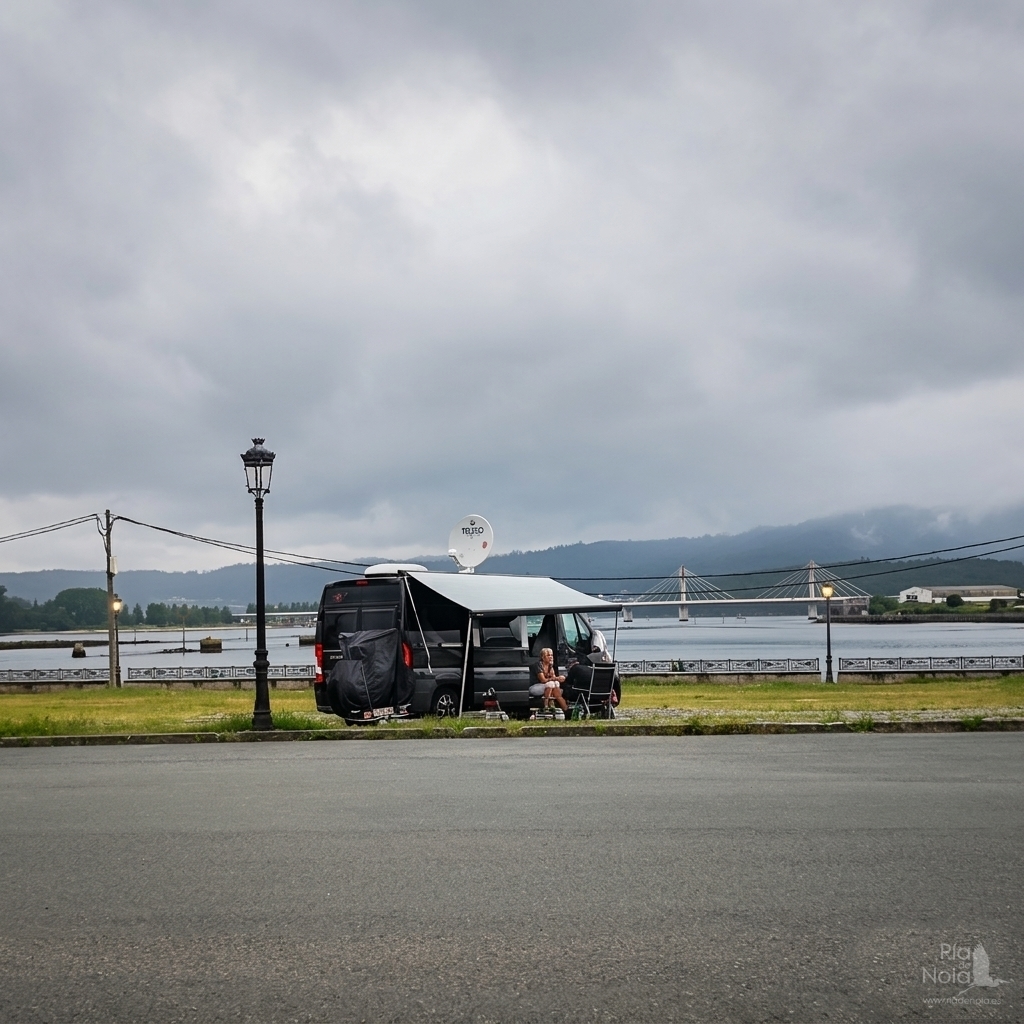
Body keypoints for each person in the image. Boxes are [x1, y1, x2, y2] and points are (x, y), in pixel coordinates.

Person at [532, 647, 568, 714]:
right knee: (551, 684)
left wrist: (559, 679)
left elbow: (553, 678)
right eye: (548, 655)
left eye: (551, 655)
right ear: (543, 657)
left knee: (556, 683)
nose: (551, 657)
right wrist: (556, 678)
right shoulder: (538, 665)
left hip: (547, 686)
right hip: (535, 686)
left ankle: (562, 707)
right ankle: (547, 704)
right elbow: (543, 680)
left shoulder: (550, 665)